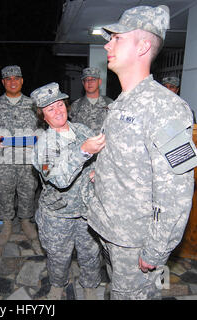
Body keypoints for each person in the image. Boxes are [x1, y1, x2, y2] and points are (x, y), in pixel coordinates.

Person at [88, 5, 197, 300]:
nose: (107, 44)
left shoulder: (166, 108)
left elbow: (176, 192)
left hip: (135, 242)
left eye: (117, 38)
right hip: (112, 230)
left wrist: (157, 249)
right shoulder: (123, 101)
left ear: (143, 46)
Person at [31, 82, 106, 300]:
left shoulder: (83, 130)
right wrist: (83, 152)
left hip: (86, 210)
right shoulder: (43, 145)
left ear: (66, 105)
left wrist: (96, 172)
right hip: (58, 214)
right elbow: (59, 178)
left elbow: (101, 158)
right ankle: (57, 285)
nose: (57, 111)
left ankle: (90, 287)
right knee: (58, 256)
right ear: (42, 115)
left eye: (59, 105)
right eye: (50, 108)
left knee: (90, 254)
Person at [0, 65, 39, 247]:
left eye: (16, 78)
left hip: (27, 161)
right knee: (4, 191)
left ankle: (26, 221)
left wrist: (40, 138)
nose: (12, 82)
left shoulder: (33, 105)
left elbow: (44, 130)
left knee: (28, 191)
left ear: (22, 81)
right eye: (8, 79)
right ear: (3, 82)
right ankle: (6, 224)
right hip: (4, 160)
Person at [68, 67, 113, 134]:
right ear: (83, 83)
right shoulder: (76, 105)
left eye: (93, 79)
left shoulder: (110, 104)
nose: (90, 82)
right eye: (86, 80)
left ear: (99, 82)